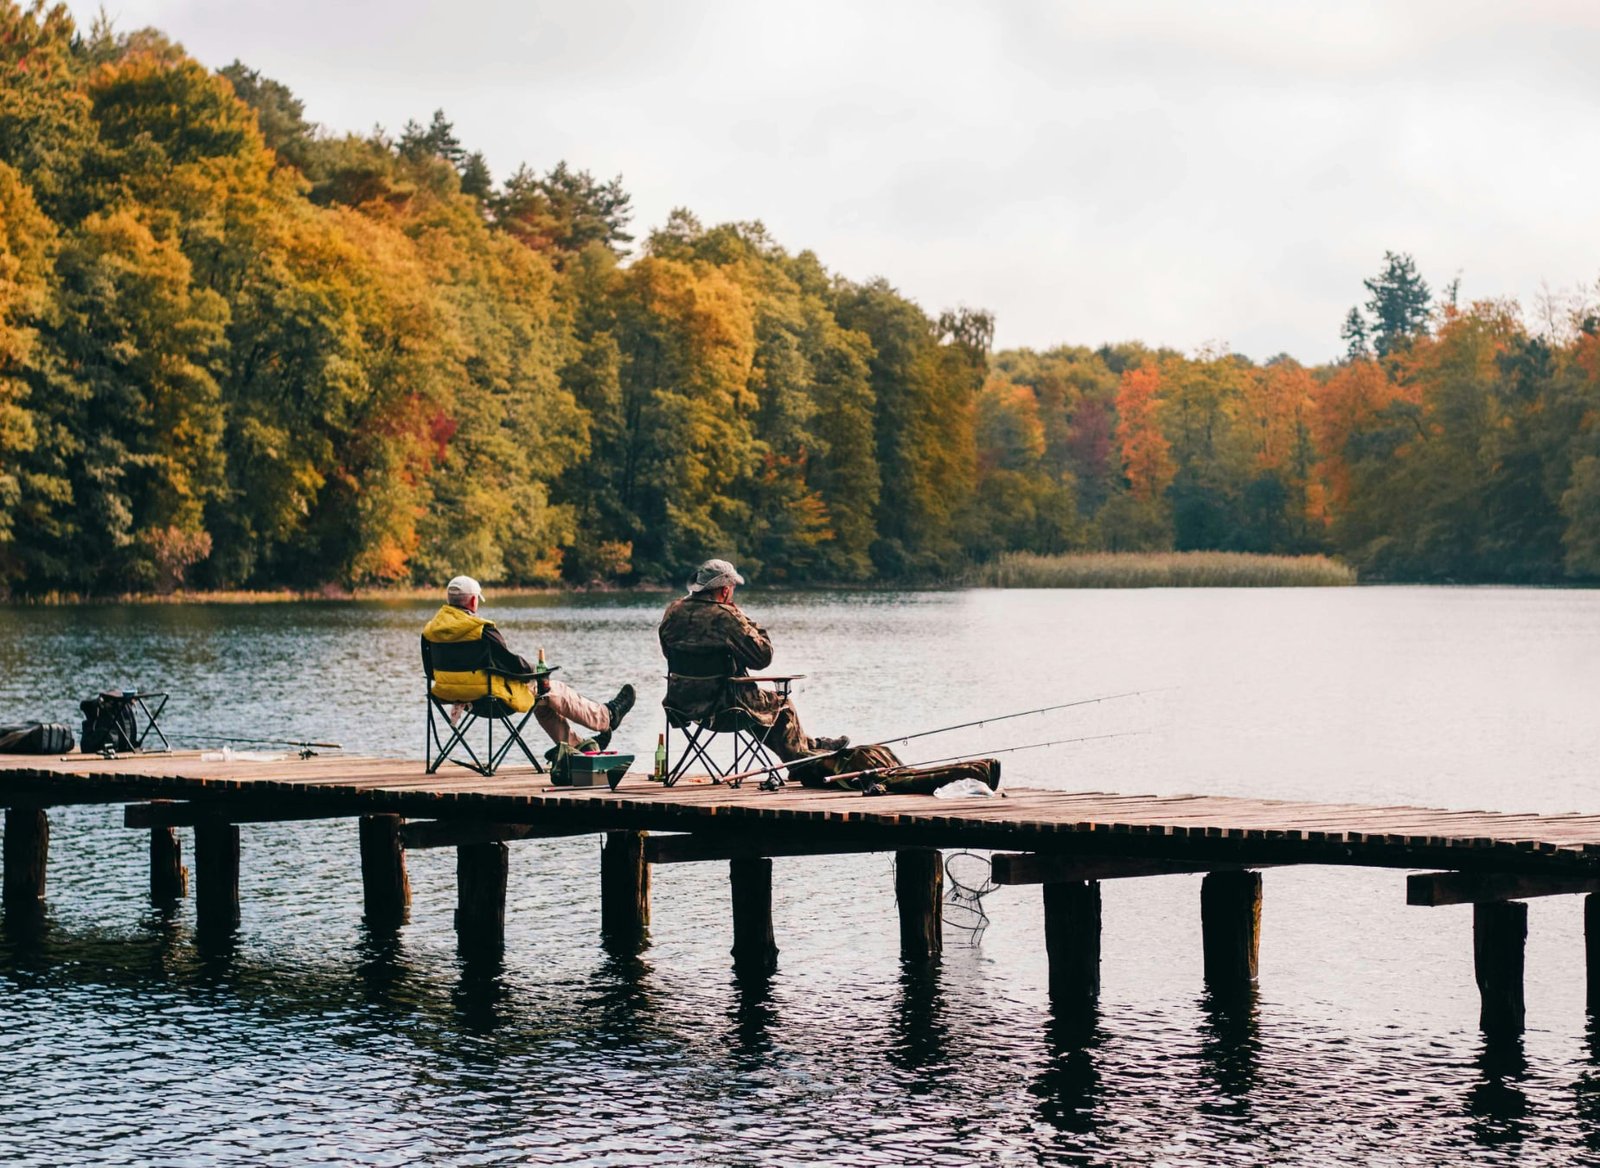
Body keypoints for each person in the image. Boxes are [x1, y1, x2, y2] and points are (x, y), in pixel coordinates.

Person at [657, 558, 847, 764]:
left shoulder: (673, 611)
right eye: (733, 588)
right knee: (781, 704)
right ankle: (802, 761)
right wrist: (744, 618)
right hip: (722, 706)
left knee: (757, 707)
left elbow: (668, 653)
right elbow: (762, 657)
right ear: (724, 590)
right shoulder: (727, 617)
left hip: (682, 703)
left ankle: (809, 748)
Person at [422, 575, 634, 751]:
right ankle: (606, 716)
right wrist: (534, 671)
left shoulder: (430, 631)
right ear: (473, 602)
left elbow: (429, 671)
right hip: (491, 700)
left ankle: (579, 748)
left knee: (542, 699)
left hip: (452, 697)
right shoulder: (481, 630)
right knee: (550, 688)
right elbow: (513, 665)